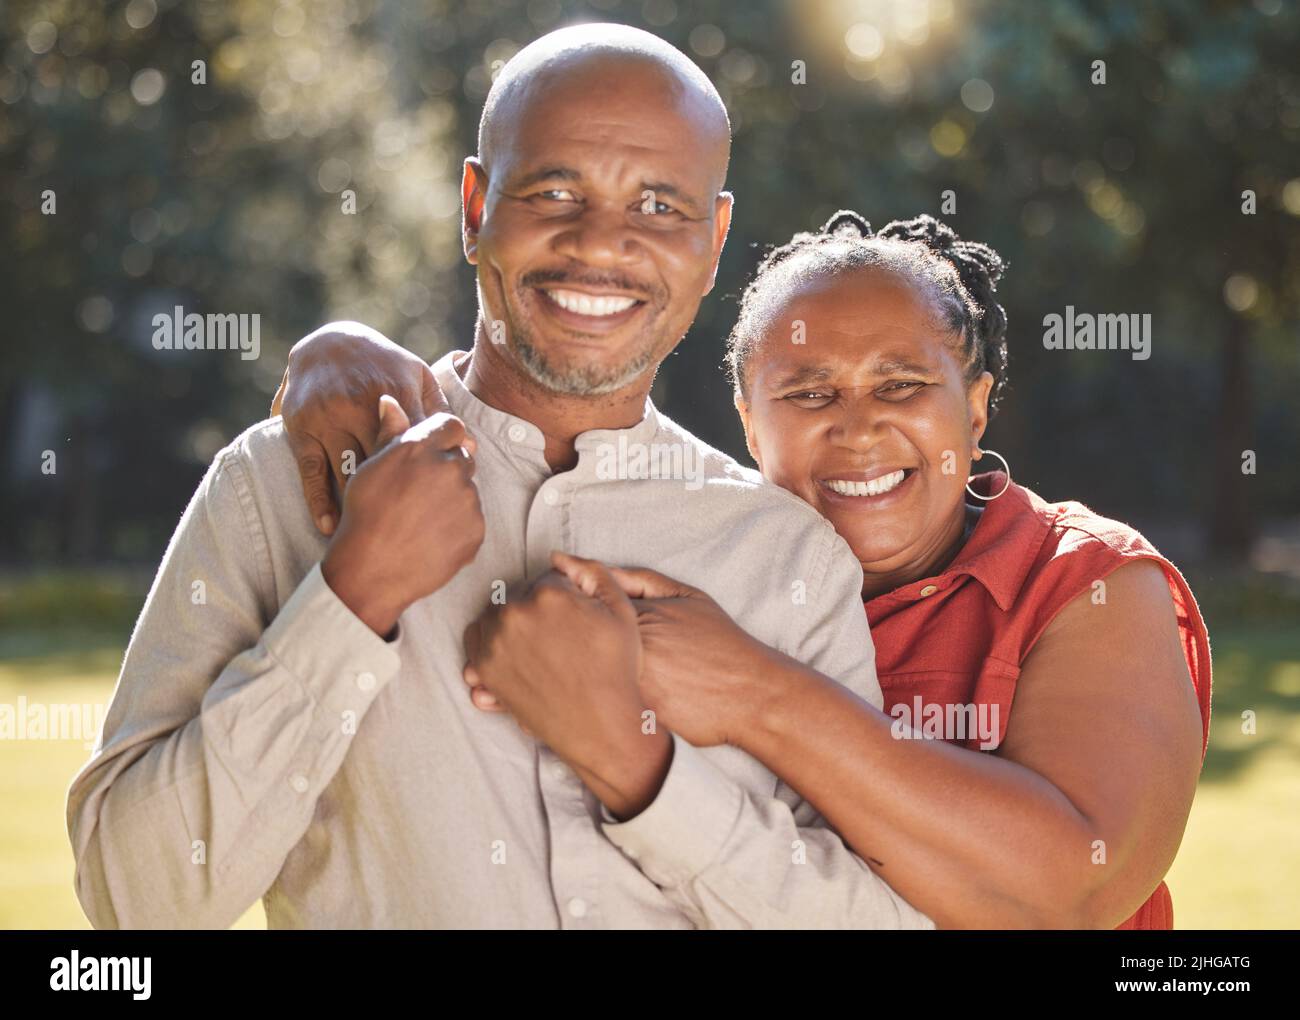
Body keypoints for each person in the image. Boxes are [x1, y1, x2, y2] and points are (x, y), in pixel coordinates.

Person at [66, 26, 932, 929]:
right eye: (554, 190)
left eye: (658, 207)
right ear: (476, 204)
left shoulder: (789, 556)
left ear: (713, 239)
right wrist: (350, 597)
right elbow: (133, 904)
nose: (602, 243)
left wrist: (638, 772)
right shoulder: (284, 485)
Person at [279, 211, 1211, 928]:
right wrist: (342, 356)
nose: (857, 427)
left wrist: (761, 695)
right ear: (748, 423)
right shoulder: (691, 558)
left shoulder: (1087, 581)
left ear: (975, 407)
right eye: (808, 394)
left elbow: (1068, 889)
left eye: (902, 385)